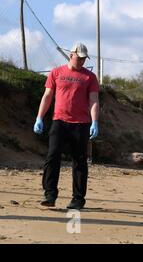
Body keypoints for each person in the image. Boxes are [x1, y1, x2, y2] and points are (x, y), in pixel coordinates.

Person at [33, 43, 99, 210]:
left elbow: (93, 100)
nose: (82, 61)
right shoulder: (56, 72)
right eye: (79, 58)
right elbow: (47, 96)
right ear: (71, 54)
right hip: (59, 122)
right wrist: (39, 117)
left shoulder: (90, 77)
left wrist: (95, 121)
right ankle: (50, 194)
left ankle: (78, 199)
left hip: (81, 124)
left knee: (79, 161)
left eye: (84, 58)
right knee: (52, 157)